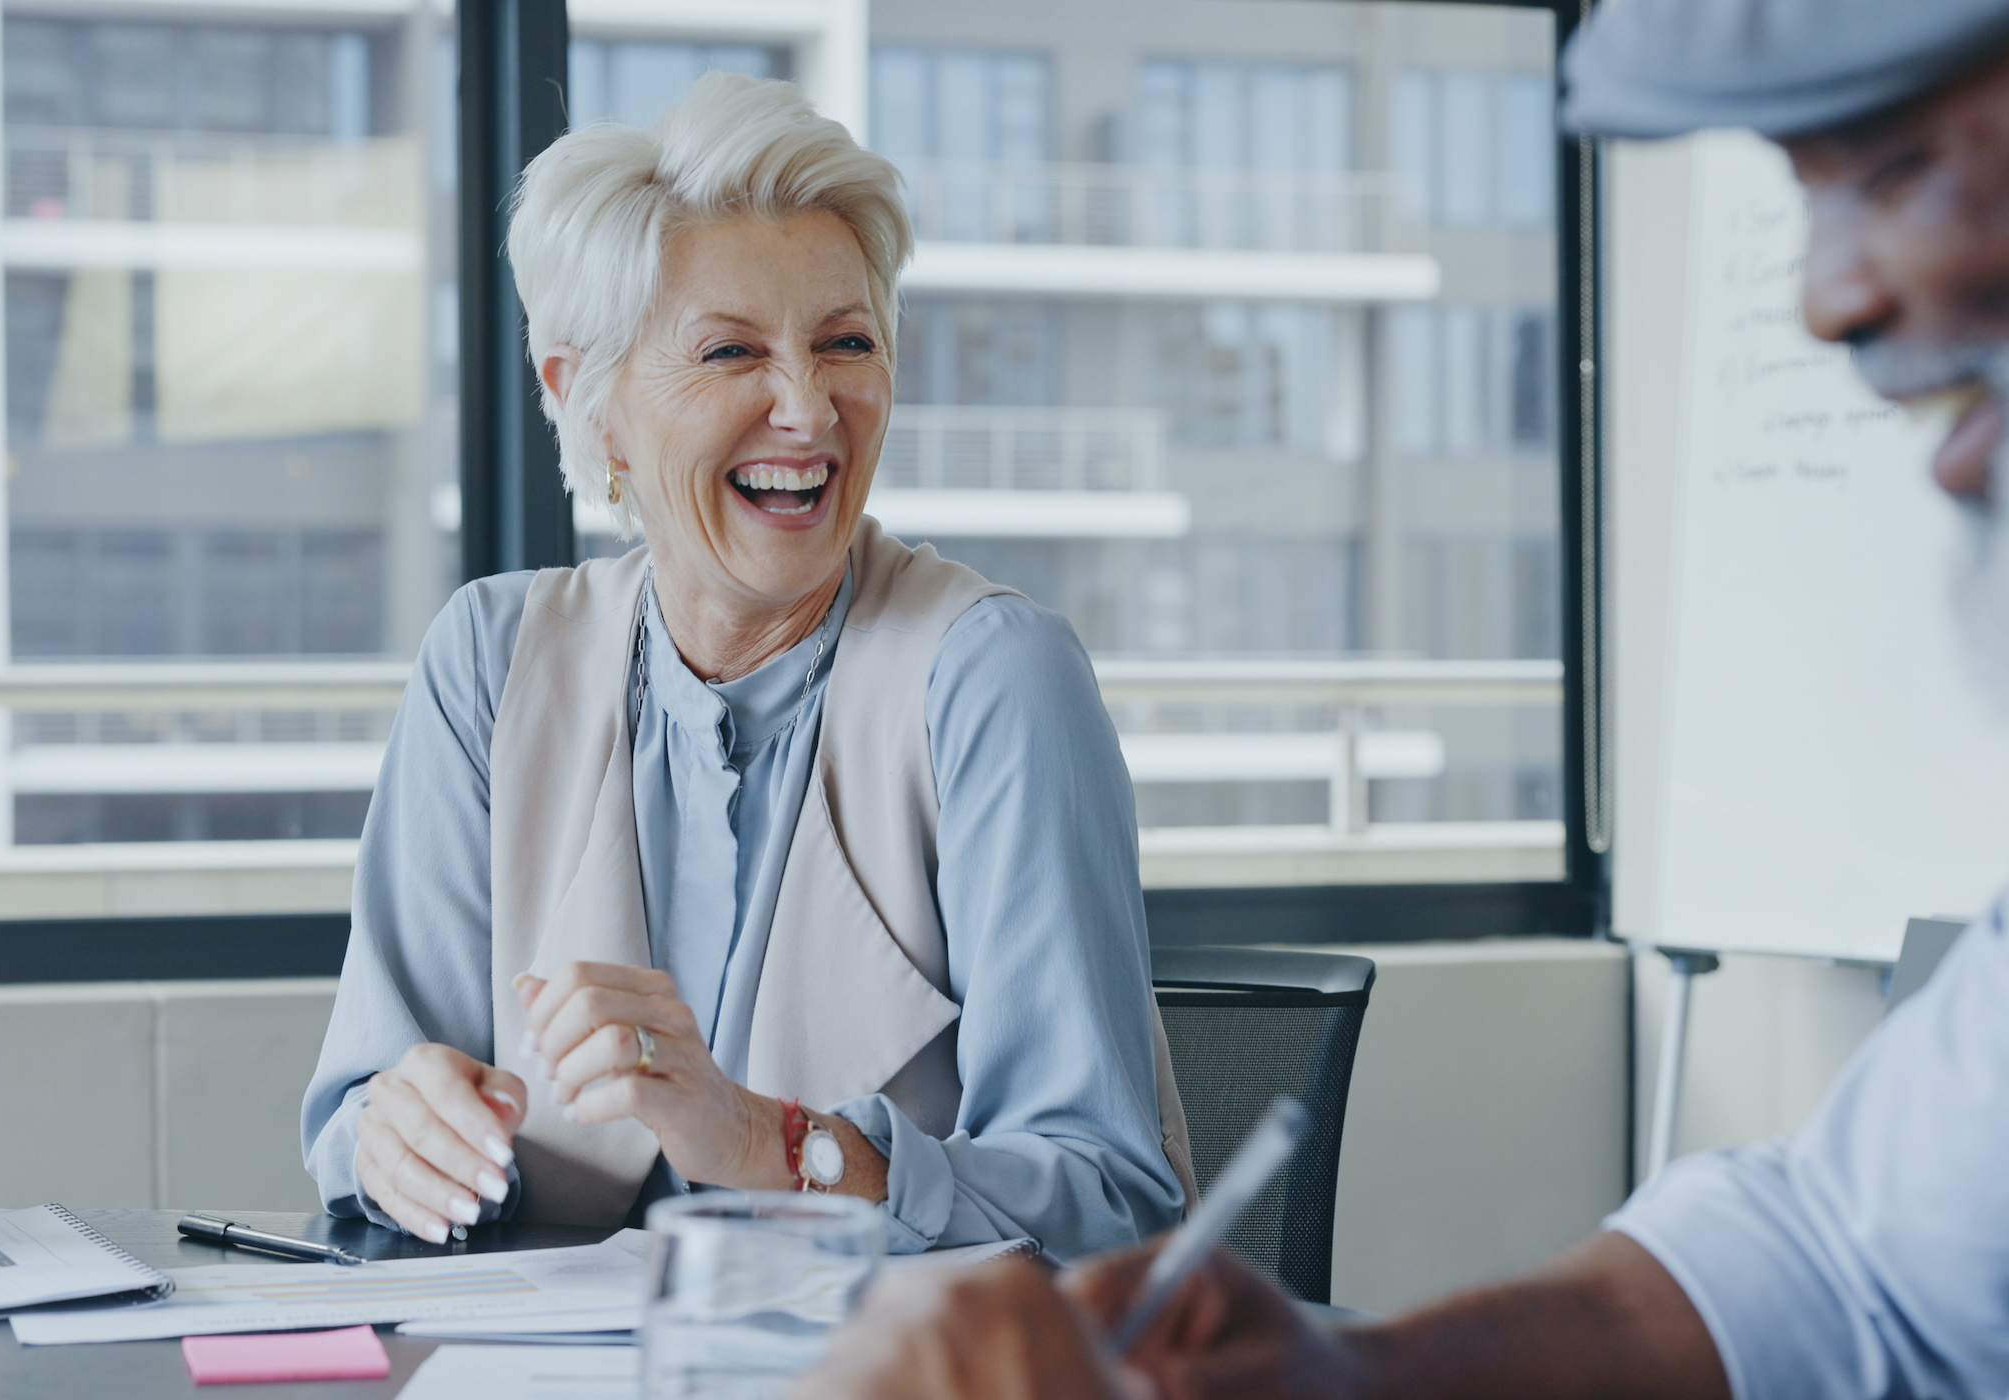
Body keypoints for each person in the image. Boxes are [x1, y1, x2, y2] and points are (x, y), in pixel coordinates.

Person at [795, 0, 2009, 1395]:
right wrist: (1353, 1373)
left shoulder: (990, 665)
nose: (1826, 298)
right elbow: (1846, 1269)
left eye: (1897, 166)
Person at [299, 71, 1192, 1254]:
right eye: (729, 352)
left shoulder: (989, 679)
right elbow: (362, 1099)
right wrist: (393, 1133)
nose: (808, 410)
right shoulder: (488, 661)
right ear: (590, 402)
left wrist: (766, 1141)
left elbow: (1105, 1200)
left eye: (845, 344)